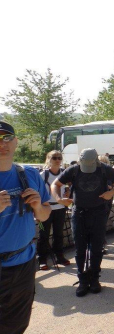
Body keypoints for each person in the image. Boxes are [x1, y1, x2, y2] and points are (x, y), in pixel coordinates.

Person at [52, 148, 114, 297]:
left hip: (99, 213)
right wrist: (59, 199)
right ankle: (82, 280)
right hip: (78, 213)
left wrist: (111, 192)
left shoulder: (104, 169)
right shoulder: (74, 170)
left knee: (96, 248)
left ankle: (94, 279)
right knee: (80, 248)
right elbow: (55, 184)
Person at [0, 121, 51, 333]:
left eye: (6, 137)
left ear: (16, 141)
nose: (2, 143)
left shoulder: (29, 174)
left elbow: (45, 214)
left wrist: (38, 206)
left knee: (18, 324)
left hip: (24, 262)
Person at [37, 150, 71, 270]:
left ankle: (59, 256)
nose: (57, 160)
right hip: (45, 209)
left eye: (59, 158)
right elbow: (37, 191)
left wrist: (68, 192)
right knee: (43, 234)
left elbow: (68, 186)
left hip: (60, 208)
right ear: (49, 159)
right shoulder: (43, 174)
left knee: (59, 234)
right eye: (54, 158)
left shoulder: (64, 173)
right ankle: (42, 259)